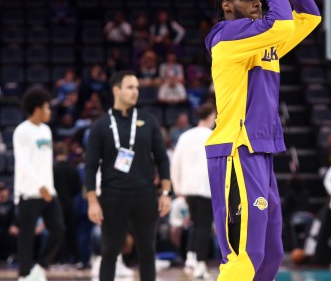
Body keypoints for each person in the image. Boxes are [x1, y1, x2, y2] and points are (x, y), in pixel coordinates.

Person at [204, 0, 321, 280]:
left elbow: (310, 17)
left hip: (260, 149)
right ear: (227, 6)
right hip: (235, 148)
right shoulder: (226, 36)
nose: (258, 0)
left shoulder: (263, 44)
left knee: (271, 254)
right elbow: (281, 24)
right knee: (244, 255)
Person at [84, 71, 172, 281]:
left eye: (137, 88)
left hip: (146, 196)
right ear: (116, 90)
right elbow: (90, 166)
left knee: (147, 252)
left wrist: (166, 192)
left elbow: (162, 159)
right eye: (130, 87)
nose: (135, 92)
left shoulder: (147, 121)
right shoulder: (101, 125)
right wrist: (92, 201)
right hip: (113, 197)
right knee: (109, 252)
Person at [13, 88, 65, 281]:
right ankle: (24, 276)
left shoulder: (46, 130)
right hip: (29, 192)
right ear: (37, 108)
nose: (50, 111)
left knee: (59, 230)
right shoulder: (22, 131)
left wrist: (48, 187)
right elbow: (23, 162)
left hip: (48, 192)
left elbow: (45, 163)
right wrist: (39, 185)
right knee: (25, 239)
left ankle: (40, 268)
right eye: (47, 108)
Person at [171, 104, 217, 280]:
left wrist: (178, 187)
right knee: (204, 226)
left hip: (188, 188)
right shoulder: (212, 136)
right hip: (206, 187)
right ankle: (200, 264)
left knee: (196, 224)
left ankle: (191, 257)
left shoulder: (185, 136)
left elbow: (175, 163)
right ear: (211, 116)